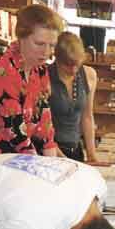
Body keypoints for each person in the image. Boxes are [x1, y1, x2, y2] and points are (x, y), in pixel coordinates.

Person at [0, 4, 63, 159]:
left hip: (20, 157)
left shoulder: (40, 69)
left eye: (52, 46)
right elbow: (14, 130)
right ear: (21, 37)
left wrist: (51, 150)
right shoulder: (1, 70)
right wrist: (41, 165)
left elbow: (44, 117)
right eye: (39, 44)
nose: (47, 52)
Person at [48, 32, 100, 163]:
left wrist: (91, 154)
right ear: (56, 58)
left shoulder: (89, 75)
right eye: (67, 65)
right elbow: (41, 126)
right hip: (49, 152)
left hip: (76, 150)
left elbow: (87, 116)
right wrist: (62, 159)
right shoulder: (44, 76)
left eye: (77, 64)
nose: (73, 70)